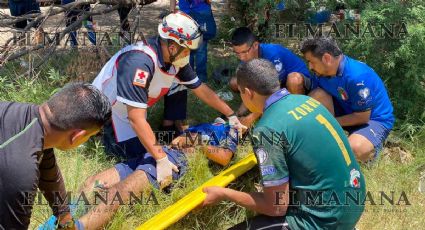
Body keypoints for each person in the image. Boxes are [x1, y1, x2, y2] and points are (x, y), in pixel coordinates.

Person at [202, 59, 365, 230]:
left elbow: (276, 207)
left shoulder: (267, 130)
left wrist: (223, 193)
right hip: (355, 200)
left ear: (248, 93)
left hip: (326, 221)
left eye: (241, 93)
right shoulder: (306, 101)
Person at [92, 12, 245, 189]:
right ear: (172, 47)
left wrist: (231, 115)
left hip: (129, 108)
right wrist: (161, 158)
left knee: (155, 153)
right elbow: (135, 118)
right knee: (140, 160)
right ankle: (99, 142)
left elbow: (201, 89)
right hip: (109, 113)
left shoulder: (175, 59)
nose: (189, 56)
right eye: (187, 50)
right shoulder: (140, 62)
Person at [39, 118, 238, 230]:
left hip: (176, 161)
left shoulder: (229, 132)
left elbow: (225, 157)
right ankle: (54, 223)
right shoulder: (206, 123)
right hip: (156, 153)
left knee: (118, 194)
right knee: (94, 182)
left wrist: (200, 141)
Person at [0, 82, 111, 229]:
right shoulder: (21, 171)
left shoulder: (25, 118)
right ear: (77, 135)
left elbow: (49, 173)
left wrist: (65, 218)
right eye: (90, 136)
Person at [300, 37, 395, 162]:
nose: (310, 66)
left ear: (327, 58)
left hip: (373, 119)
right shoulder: (322, 72)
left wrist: (328, 122)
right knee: (317, 95)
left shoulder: (357, 77)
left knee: (354, 149)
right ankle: (332, 139)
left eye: (311, 61)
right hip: (345, 110)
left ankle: (371, 150)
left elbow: (362, 117)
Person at [229, 27, 316, 127]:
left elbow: (272, 92)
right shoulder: (246, 57)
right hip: (278, 81)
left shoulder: (272, 55)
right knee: (236, 82)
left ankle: (295, 113)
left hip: (299, 81)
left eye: (244, 52)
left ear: (255, 45)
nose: (241, 57)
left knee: (293, 81)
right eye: (237, 53)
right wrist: (239, 113)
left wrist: (251, 118)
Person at [170, 0, 216, 83]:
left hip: (187, 13)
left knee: (187, 46)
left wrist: (171, 10)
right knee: (200, 47)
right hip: (200, 10)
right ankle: (200, 78)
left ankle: (188, 76)